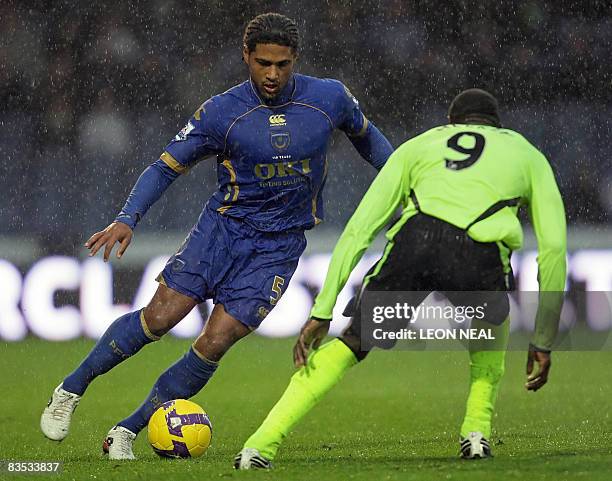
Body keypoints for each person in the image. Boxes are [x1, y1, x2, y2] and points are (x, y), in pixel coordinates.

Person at [40, 12, 394, 460]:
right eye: (263, 62)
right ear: (246, 56)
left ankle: (126, 431)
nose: (272, 74)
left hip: (280, 246)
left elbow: (372, 142)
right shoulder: (221, 112)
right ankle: (70, 390)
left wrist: (409, 179)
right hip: (223, 231)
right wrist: (128, 217)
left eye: (282, 64)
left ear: (295, 60)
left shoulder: (329, 99)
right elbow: (164, 167)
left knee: (215, 341)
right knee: (160, 318)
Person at [235, 88, 567, 468]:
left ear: (452, 124)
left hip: (415, 241)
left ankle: (259, 447)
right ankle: (476, 432)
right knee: (492, 324)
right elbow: (554, 249)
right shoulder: (526, 153)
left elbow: (360, 229)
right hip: (478, 251)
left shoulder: (420, 145)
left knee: (352, 344)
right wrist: (543, 339)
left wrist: (323, 309)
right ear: (496, 126)